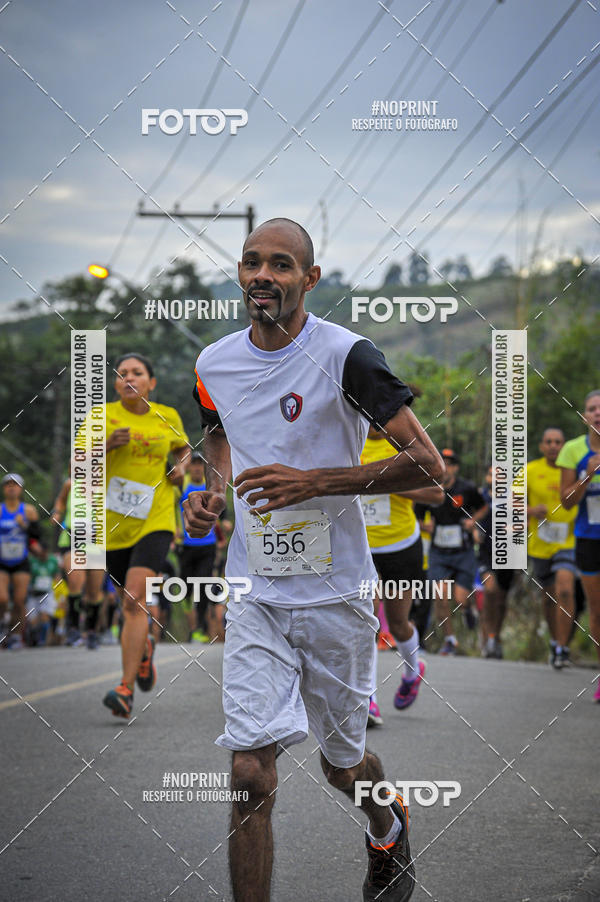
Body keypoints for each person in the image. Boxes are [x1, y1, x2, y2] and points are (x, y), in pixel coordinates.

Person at [183, 218, 444, 902]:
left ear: (309, 278)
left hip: (336, 595)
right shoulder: (214, 362)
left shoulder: (349, 355)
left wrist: (318, 481)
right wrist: (211, 493)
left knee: (343, 765)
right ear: (240, 273)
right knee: (249, 772)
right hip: (257, 591)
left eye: (280, 264)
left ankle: (386, 825)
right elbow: (216, 435)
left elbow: (429, 465)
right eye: (251, 262)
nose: (263, 275)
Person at [92, 353, 189, 717]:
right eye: (122, 374)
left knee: (135, 600)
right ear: (116, 383)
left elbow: (183, 450)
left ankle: (125, 689)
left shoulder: (168, 415)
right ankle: (144, 647)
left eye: (137, 373)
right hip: (115, 526)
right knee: (127, 603)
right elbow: (78, 465)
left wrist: (180, 470)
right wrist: (105, 446)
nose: (129, 378)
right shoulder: (100, 417)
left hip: (157, 520)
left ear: (151, 382)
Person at [360, 424, 444, 724]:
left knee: (397, 623)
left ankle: (413, 670)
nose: (375, 424)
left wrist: (390, 484)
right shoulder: (349, 440)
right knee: (365, 623)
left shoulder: (404, 445)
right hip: (360, 548)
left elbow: (437, 494)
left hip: (401, 546)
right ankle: (368, 699)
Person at [415, 449, 488, 656]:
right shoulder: (429, 489)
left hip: (462, 551)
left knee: (460, 598)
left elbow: (483, 508)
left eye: (450, 464)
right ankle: (450, 640)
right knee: (440, 596)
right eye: (442, 463)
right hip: (438, 551)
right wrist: (425, 526)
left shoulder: (466, 488)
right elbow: (418, 516)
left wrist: (472, 521)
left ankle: (467, 609)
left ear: (455, 468)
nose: (445, 468)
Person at [557, 390, 600, 703]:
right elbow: (567, 502)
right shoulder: (573, 450)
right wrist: (587, 475)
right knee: (597, 610)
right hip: (588, 539)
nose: (597, 413)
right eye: (591, 409)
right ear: (584, 416)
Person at [527, 429, 578, 668]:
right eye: (548, 442)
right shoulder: (529, 471)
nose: (553, 446)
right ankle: (555, 640)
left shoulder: (574, 470)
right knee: (549, 599)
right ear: (541, 446)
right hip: (540, 545)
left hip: (569, 541)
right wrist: (530, 511)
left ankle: (563, 647)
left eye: (558, 442)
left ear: (564, 446)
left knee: (565, 590)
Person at [50, 476, 105, 649]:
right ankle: (73, 629)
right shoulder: (70, 484)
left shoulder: (105, 485)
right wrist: (57, 512)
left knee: (94, 592)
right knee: (75, 582)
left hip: (96, 541)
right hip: (72, 538)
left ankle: (91, 631)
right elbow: (60, 500)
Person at [178, 450, 219, 642]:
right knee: (185, 588)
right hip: (186, 545)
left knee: (203, 584)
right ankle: (192, 622)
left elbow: (219, 510)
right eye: (193, 464)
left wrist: (223, 525)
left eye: (199, 464)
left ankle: (200, 629)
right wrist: (173, 531)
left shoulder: (209, 486)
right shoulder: (182, 485)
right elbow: (171, 507)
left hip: (207, 545)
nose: (196, 467)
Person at [476, 465, 517, 659]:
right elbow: (467, 517)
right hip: (485, 552)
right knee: (490, 591)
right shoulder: (479, 496)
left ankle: (496, 636)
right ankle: (487, 638)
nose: (495, 478)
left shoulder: (513, 498)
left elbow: (523, 521)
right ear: (487, 477)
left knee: (501, 599)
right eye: (492, 474)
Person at [0, 473, 40, 649]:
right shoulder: (0, 510)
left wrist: (25, 525)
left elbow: (37, 535)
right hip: (1, 560)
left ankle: (15, 635)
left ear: (21, 489)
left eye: (15, 485)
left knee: (19, 600)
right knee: (2, 598)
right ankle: (2, 626)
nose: (11, 487)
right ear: (3, 489)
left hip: (21, 560)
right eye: (8, 484)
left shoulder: (28, 510)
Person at [25, 542, 60, 646]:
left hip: (47, 593)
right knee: (33, 620)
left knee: (45, 616)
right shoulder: (31, 561)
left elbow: (57, 575)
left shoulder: (53, 561)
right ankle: (33, 638)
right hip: (33, 593)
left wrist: (59, 591)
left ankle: (43, 640)